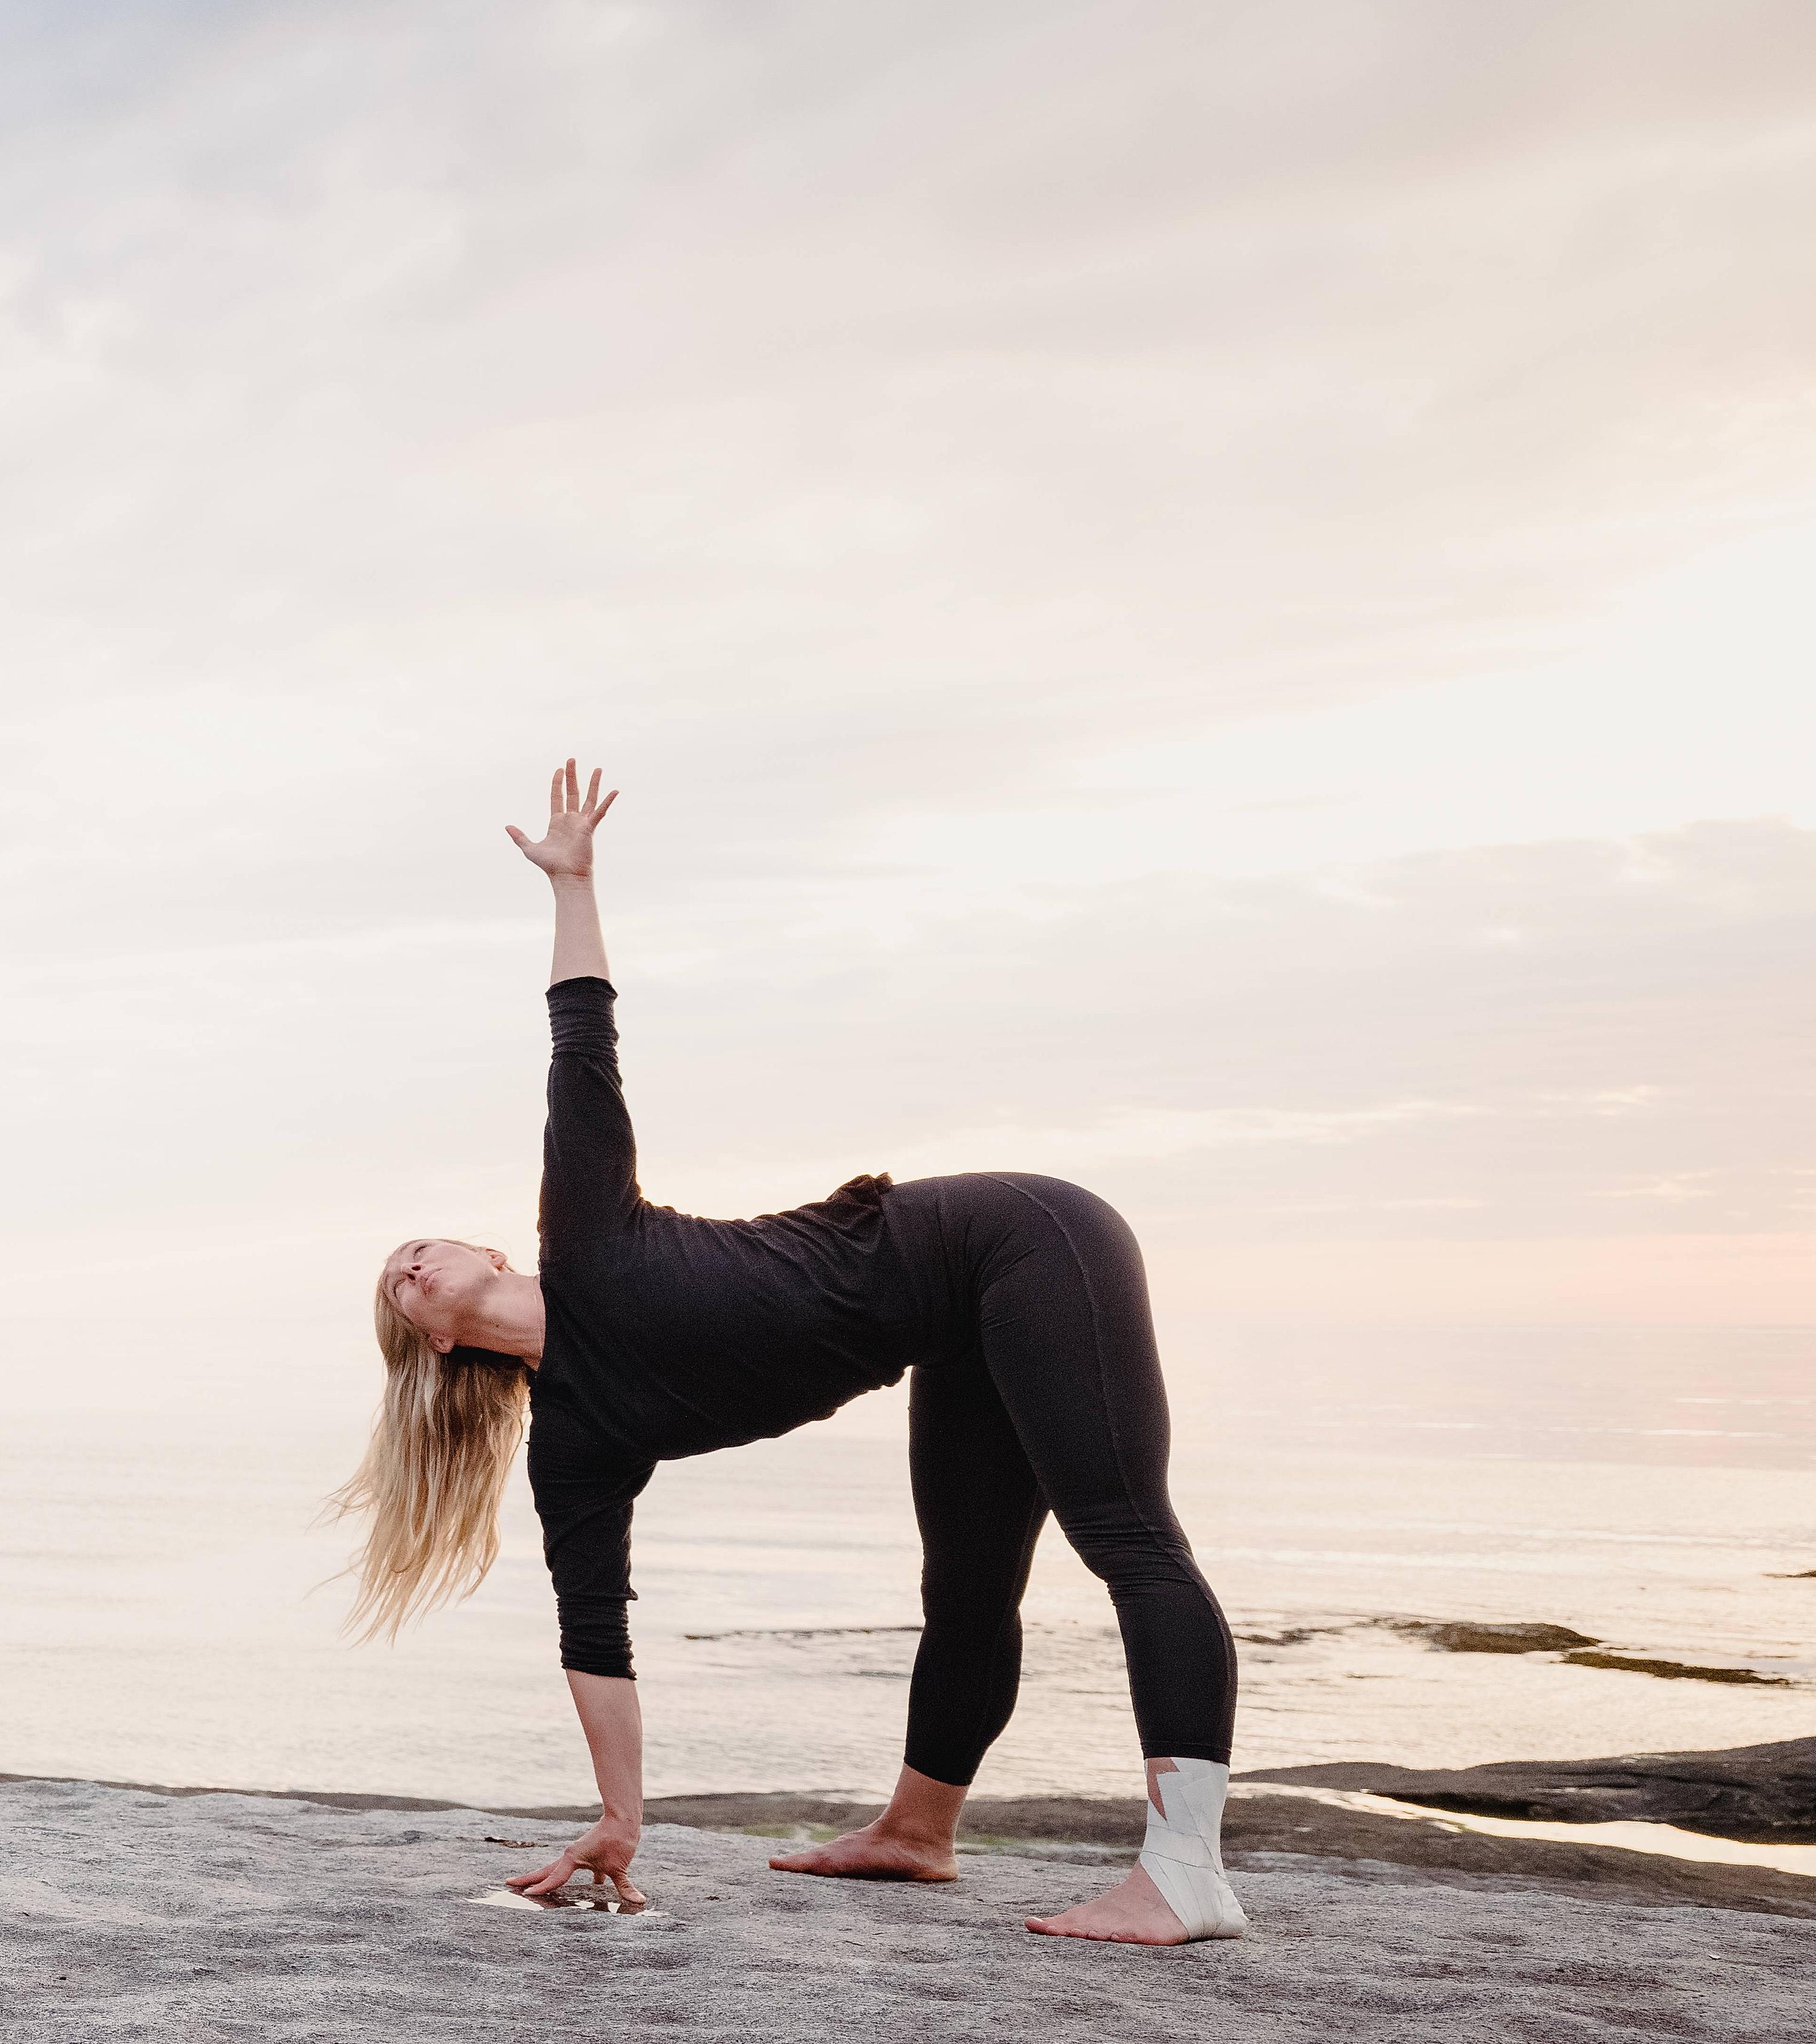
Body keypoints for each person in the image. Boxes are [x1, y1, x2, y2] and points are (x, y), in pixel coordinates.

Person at [345, 763, 1251, 1946]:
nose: (407, 1263)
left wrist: (570, 882)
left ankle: (1186, 1872)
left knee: (1123, 1532)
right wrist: (618, 1820)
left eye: (417, 1244)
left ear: (479, 1246)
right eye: (394, 1283)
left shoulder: (584, 1225)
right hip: (949, 1327)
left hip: (1021, 1239)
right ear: (433, 1342)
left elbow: (581, 1037)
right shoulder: (576, 1437)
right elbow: (593, 1638)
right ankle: (919, 1830)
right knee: (967, 1585)